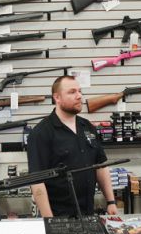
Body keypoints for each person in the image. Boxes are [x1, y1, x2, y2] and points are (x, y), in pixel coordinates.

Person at [27, 75, 117, 217]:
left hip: (88, 212)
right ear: (57, 97)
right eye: (72, 92)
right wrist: (50, 220)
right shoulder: (41, 133)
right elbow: (37, 182)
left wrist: (111, 201)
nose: (79, 96)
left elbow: (100, 165)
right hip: (58, 216)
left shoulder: (87, 127)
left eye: (80, 91)